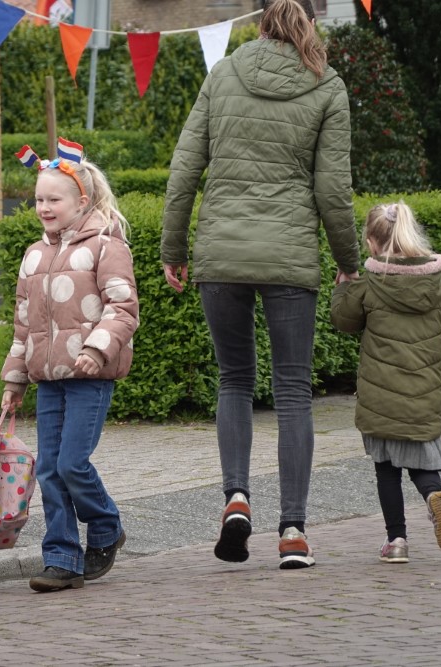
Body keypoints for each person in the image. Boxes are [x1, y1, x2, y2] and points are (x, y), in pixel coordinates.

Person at [160, 0, 361, 569]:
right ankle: (293, 532)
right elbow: (333, 190)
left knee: (234, 381)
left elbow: (183, 171)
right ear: (312, 23)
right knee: (294, 392)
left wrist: (173, 248)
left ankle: (236, 498)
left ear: (260, 20)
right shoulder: (329, 86)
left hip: (220, 254)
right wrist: (347, 259)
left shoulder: (222, 73)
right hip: (291, 256)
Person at [2, 146, 139, 592]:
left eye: (54, 200)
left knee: (72, 463)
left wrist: (97, 351)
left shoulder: (107, 246)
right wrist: (15, 379)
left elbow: (123, 308)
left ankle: (105, 523)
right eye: (39, 199)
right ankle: (60, 557)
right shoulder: (33, 257)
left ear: (82, 202)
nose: (43, 208)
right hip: (48, 380)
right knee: (47, 469)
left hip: (89, 378)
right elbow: (24, 324)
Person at [331, 201, 441, 563]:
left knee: (385, 470)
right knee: (422, 465)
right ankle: (434, 497)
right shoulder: (439, 286)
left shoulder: (370, 284)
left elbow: (344, 321)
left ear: (372, 242)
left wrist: (344, 286)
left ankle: (397, 541)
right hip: (422, 396)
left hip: (379, 398)